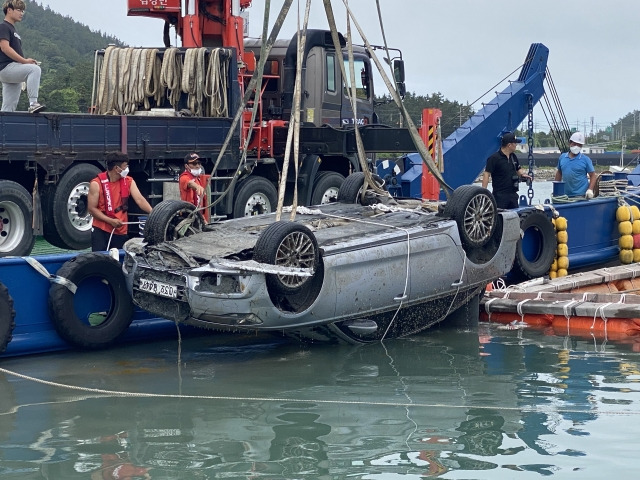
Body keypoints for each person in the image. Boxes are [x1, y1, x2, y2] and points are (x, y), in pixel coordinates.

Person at [88, 151, 152, 251]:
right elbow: (91, 209)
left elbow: (140, 200)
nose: (127, 169)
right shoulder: (96, 184)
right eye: (125, 166)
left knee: (119, 260)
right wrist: (110, 221)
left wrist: (154, 213)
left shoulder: (129, 181)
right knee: (99, 259)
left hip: (121, 229)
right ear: (117, 169)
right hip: (101, 229)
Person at [0, 0, 44, 113]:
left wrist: (23, 65)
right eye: (19, 10)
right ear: (9, 10)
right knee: (34, 69)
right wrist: (25, 62)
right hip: (7, 67)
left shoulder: (13, 29)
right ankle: (33, 103)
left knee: (8, 110)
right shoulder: (4, 26)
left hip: (10, 70)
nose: (22, 13)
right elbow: (5, 47)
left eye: (23, 10)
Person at [481, 132, 531, 209]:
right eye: (515, 143)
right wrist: (483, 192)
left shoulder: (513, 156)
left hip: (513, 195)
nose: (516, 145)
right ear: (509, 145)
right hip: (499, 196)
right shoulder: (494, 158)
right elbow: (486, 174)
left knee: (515, 217)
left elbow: (518, 168)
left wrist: (523, 174)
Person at [554, 131, 596, 198]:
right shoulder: (562, 157)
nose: (576, 146)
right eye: (575, 144)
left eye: (579, 145)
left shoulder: (585, 160)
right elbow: (559, 172)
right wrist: (556, 189)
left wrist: (590, 189)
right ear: (570, 143)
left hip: (581, 196)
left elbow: (593, 175)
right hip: (565, 195)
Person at [179, 152, 210, 222]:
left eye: (199, 163)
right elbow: (189, 183)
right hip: (188, 217)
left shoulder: (197, 178)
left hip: (197, 216)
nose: (198, 166)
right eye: (194, 163)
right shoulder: (184, 177)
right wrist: (197, 187)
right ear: (186, 166)